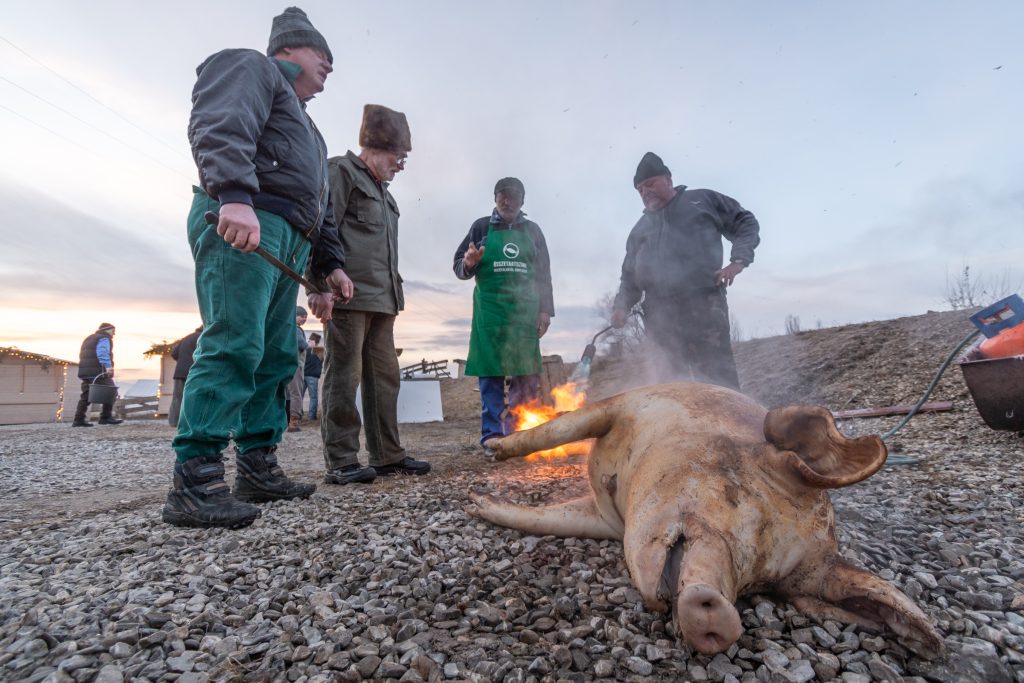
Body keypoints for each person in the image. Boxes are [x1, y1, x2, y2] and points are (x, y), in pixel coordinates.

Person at [162, 7, 353, 529]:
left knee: (273, 356)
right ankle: (195, 480)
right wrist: (234, 195)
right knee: (234, 342)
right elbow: (221, 122)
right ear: (288, 49)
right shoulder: (252, 67)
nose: (331, 65)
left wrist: (327, 267)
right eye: (322, 54)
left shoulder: (310, 132)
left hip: (288, 243)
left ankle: (258, 466)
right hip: (246, 223)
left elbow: (319, 205)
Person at [314, 104, 431, 486]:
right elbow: (320, 228)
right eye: (400, 156)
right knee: (343, 377)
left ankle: (387, 455)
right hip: (347, 296)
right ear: (378, 147)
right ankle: (342, 458)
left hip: (383, 299)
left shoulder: (386, 194)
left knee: (385, 378)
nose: (402, 165)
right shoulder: (341, 172)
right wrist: (319, 285)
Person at [610, 152, 760, 390]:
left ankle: (727, 424)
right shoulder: (639, 230)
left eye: (650, 184)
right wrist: (621, 306)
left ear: (668, 180)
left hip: (703, 304)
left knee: (716, 377)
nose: (645, 192)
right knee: (669, 381)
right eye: (639, 189)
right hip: (659, 315)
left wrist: (739, 260)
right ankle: (679, 426)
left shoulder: (702, 201)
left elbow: (745, 222)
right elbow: (629, 276)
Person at [453, 177, 554, 453]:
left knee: (526, 374)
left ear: (523, 199)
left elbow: (544, 275)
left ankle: (519, 436)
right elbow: (459, 266)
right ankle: (493, 438)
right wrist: (469, 263)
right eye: (502, 196)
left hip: (525, 313)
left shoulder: (533, 231)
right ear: (495, 198)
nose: (508, 201)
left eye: (514, 196)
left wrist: (546, 311)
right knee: (490, 374)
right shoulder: (481, 227)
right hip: (490, 314)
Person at [72, 323, 124, 427]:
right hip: (99, 371)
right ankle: (105, 417)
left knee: (86, 396)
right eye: (113, 330)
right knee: (111, 391)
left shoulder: (89, 338)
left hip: (86, 372)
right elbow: (102, 353)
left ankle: (78, 419)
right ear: (107, 330)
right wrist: (108, 366)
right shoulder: (104, 338)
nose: (114, 333)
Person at [168, 325, 203, 427]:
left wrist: (182, 361)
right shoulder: (204, 337)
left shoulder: (187, 337)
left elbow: (174, 353)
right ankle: (191, 421)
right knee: (194, 397)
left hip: (179, 372)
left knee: (177, 398)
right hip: (194, 372)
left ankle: (174, 421)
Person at [286, 306, 309, 431]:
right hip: (296, 365)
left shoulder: (286, 327)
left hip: (285, 364)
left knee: (286, 394)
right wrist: (309, 344)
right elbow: (302, 345)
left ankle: (285, 420)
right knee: (296, 394)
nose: (304, 319)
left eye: (306, 316)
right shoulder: (296, 329)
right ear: (295, 316)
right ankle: (294, 422)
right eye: (302, 316)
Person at [302, 332, 323, 420]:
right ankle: (311, 416)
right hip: (313, 376)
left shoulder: (304, 349)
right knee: (313, 397)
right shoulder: (320, 351)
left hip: (303, 375)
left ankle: (298, 414)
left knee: (300, 396)